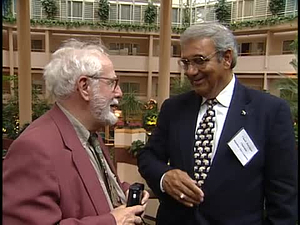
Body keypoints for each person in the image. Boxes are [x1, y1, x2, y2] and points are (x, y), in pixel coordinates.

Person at [137, 22, 297, 225]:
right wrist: (164, 176)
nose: (190, 71)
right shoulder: (174, 108)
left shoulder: (270, 112)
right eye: (186, 62)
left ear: (227, 58)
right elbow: (148, 156)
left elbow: (283, 197)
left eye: (199, 61)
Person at [3, 39, 149, 225]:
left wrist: (124, 191)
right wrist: (112, 221)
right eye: (112, 83)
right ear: (85, 87)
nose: (119, 92)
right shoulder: (33, 148)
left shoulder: (91, 135)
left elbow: (93, 188)